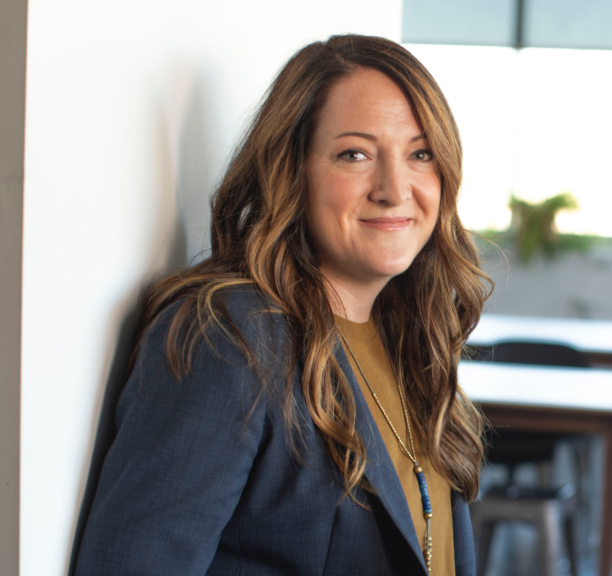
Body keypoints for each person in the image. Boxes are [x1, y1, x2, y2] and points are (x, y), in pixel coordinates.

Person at [73, 34, 491, 576]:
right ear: (292, 171)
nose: (394, 187)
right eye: (354, 154)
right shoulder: (228, 338)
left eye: (420, 153)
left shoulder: (413, 340)